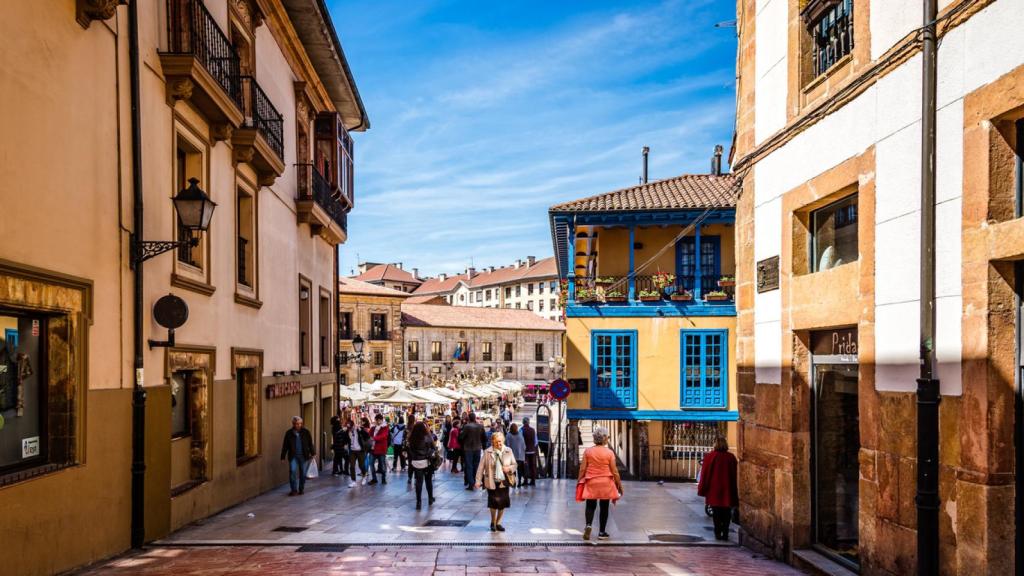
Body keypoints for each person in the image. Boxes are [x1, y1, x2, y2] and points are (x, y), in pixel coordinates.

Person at [576, 426, 622, 540]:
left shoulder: (588, 451)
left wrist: (579, 481)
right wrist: (619, 485)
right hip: (606, 483)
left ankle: (588, 525)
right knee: (604, 507)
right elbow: (614, 471)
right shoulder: (609, 453)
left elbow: (582, 469)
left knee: (590, 505)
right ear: (605, 438)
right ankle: (602, 532)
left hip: (591, 481)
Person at [697, 436, 739, 541]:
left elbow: (705, 474)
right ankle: (725, 533)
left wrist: (702, 488)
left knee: (716, 513)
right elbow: (735, 474)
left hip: (714, 489)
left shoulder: (710, 457)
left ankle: (717, 533)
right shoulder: (731, 457)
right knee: (727, 513)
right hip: (727, 488)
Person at [475, 430, 517, 532]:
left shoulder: (508, 451)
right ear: (493, 441)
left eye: (500, 441)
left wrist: (509, 468)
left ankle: (498, 523)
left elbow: (515, 465)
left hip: (504, 481)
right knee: (493, 503)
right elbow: (481, 467)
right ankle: (493, 522)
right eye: (497, 441)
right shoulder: (487, 452)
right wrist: (478, 480)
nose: (499, 443)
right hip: (491, 481)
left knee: (502, 503)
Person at [280, 416, 315, 496]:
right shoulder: (289, 433)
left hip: (304, 456)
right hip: (293, 456)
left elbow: (310, 443)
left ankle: (301, 489)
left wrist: (313, 453)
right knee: (292, 472)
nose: (298, 425)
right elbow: (285, 446)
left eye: (300, 424)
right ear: (293, 424)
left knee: (303, 473)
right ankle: (294, 490)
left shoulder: (306, 432)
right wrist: (282, 456)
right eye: (297, 424)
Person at [407, 421, 437, 510]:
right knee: (428, 481)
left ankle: (418, 502)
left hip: (416, 462)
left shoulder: (411, 438)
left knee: (419, 482)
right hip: (426, 462)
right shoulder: (427, 437)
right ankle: (430, 498)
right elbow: (434, 448)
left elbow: (410, 450)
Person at [459, 413, 486, 490]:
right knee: (476, 465)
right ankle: (476, 481)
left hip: (468, 448)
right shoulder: (480, 426)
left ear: (469, 418)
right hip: (477, 448)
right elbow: (484, 438)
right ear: (475, 418)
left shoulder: (467, 426)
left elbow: (461, 437)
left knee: (469, 466)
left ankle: (471, 483)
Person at [347, 417, 369, 487]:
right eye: (349, 428)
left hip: (360, 450)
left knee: (361, 465)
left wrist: (361, 430)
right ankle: (353, 481)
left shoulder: (359, 430)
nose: (350, 429)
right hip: (352, 451)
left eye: (351, 427)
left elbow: (367, 436)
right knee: (352, 466)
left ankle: (364, 475)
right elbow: (345, 439)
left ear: (353, 426)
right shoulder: (348, 432)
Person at [369, 414, 390, 485]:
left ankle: (384, 479)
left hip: (381, 449)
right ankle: (374, 479)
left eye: (378, 420)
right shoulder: (373, 427)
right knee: (371, 464)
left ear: (381, 420)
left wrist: (374, 438)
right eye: (376, 420)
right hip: (373, 449)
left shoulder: (385, 427)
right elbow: (369, 435)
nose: (377, 421)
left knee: (382, 464)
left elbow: (383, 436)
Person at [506, 423, 526, 488]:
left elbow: (507, 446)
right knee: (519, 470)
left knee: (513, 470)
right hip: (520, 456)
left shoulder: (508, 435)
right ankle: (519, 482)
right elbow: (524, 446)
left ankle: (514, 483)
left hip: (512, 456)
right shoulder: (520, 435)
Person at [521, 417, 538, 487]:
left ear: (523, 422)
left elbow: (520, 441)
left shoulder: (521, 430)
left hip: (525, 452)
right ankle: (533, 481)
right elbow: (536, 441)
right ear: (529, 422)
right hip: (532, 451)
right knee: (532, 466)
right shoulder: (533, 430)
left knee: (525, 466)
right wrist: (534, 448)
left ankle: (525, 480)